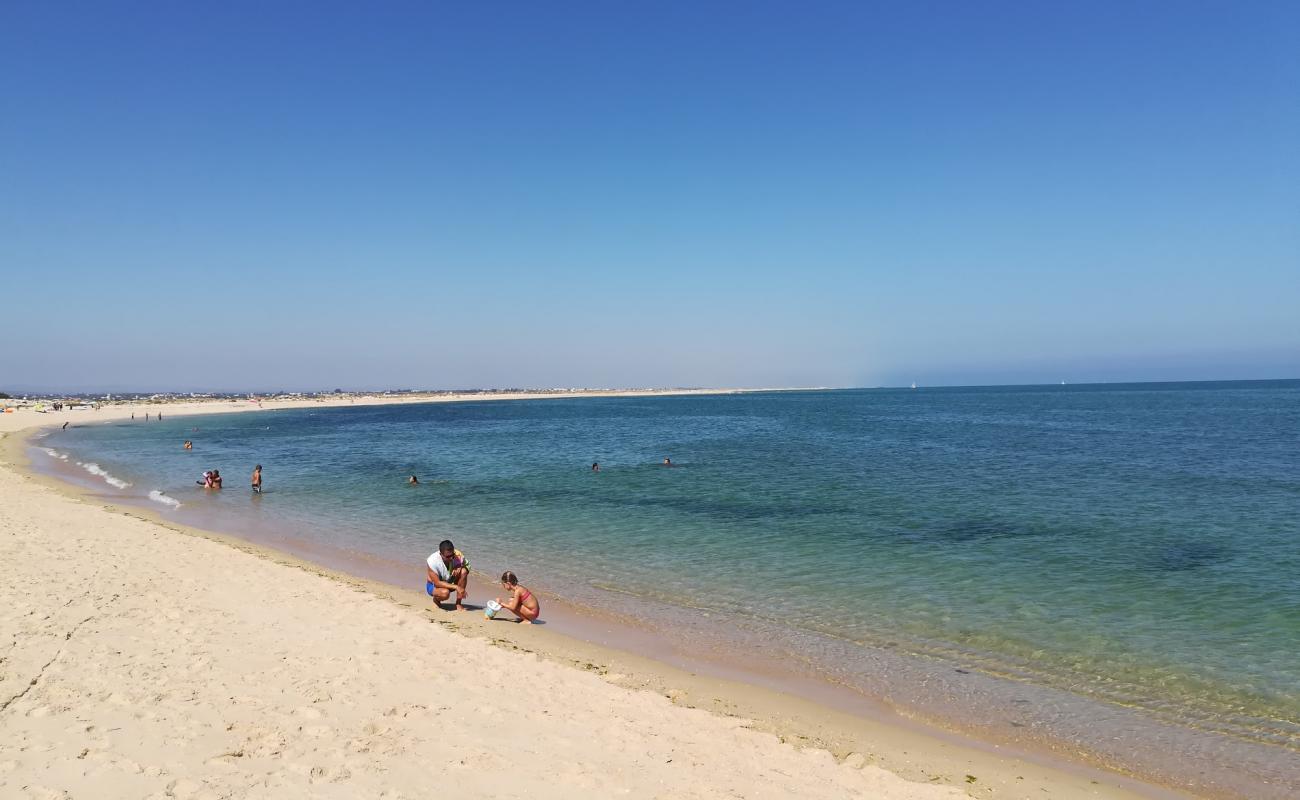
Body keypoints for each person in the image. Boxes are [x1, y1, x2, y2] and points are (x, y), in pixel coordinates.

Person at [426, 539, 469, 610]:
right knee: (445, 593)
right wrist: (456, 587)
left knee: (463, 571)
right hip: (433, 586)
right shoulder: (432, 561)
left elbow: (467, 568)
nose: (451, 558)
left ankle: (458, 603)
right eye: (448, 557)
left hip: (449, 581)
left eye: (452, 555)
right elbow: (437, 583)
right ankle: (436, 599)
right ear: (441, 554)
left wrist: (459, 566)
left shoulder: (457, 555)